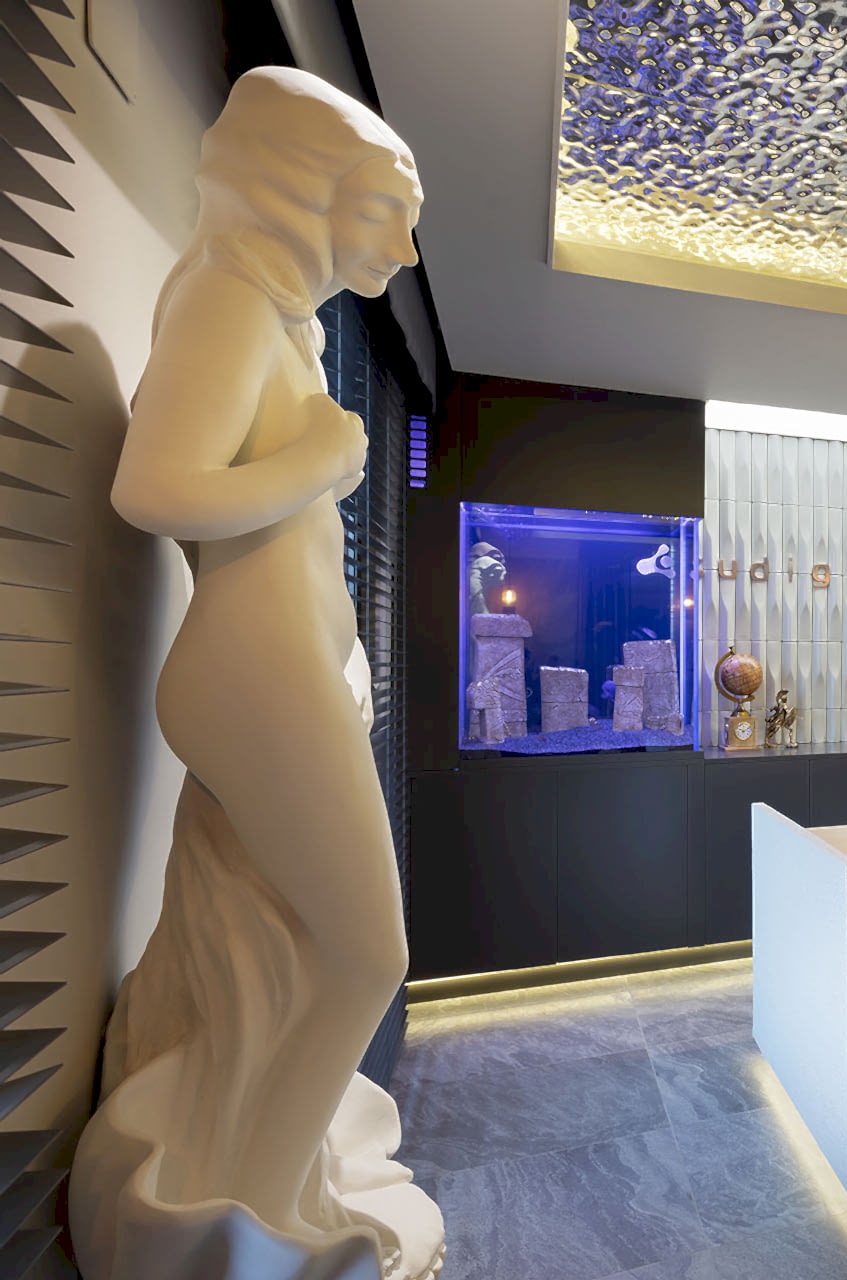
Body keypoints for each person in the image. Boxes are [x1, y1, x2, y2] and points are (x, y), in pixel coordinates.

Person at [75, 67, 441, 1280]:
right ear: (302, 185)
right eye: (387, 209)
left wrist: (345, 657)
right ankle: (268, 1207)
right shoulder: (229, 297)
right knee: (367, 952)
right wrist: (324, 460)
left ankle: (271, 1175)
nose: (403, 247)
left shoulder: (272, 318)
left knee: (302, 945)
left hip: (281, 674)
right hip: (252, 674)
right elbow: (153, 487)